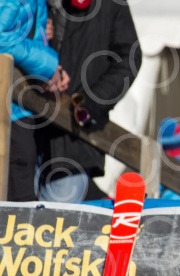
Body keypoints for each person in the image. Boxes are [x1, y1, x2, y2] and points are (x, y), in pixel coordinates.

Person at [35, 0, 142, 202]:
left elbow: (130, 59)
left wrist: (90, 102)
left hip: (73, 142)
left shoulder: (111, 5)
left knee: (59, 225)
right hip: (24, 133)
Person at [0, 0, 70, 201]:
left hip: (19, 110)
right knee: (19, 212)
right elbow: (1, 37)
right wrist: (48, 66)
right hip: (9, 114)